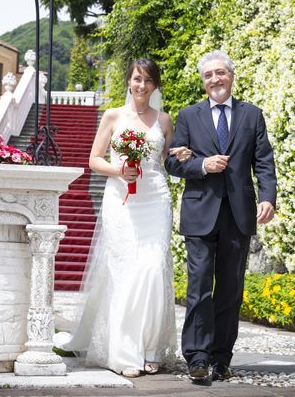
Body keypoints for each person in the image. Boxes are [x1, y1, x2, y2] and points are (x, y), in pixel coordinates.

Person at [55, 58, 181, 378]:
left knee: (153, 268)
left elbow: (170, 163)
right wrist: (119, 170)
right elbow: (94, 159)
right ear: (128, 80)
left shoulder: (164, 120)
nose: (142, 86)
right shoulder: (113, 116)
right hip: (120, 200)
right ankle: (126, 351)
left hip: (155, 198)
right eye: (137, 79)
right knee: (125, 272)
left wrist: (185, 157)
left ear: (155, 85)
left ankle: (151, 348)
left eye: (149, 80)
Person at [164, 50, 277, 383]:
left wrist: (268, 197)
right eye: (208, 75)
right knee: (199, 288)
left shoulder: (252, 115)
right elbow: (172, 162)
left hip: (239, 215)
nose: (214, 79)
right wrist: (200, 164)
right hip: (200, 212)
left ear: (231, 75)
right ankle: (197, 358)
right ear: (203, 82)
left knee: (230, 289)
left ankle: (221, 358)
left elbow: (264, 161)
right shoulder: (188, 116)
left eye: (220, 73)